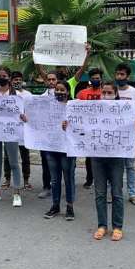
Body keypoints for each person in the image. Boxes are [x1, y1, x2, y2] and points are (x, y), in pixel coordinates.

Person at [67, 83, 135, 241]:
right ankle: (102, 225)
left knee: (117, 193)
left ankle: (117, 226)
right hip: (97, 158)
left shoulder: (124, 111)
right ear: (100, 94)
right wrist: (68, 125)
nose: (106, 95)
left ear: (116, 94)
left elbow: (133, 129)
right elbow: (80, 126)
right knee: (100, 194)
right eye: (104, 92)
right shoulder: (93, 110)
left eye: (110, 92)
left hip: (116, 158)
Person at [0, 66, 29, 208]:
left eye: (4, 76)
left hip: (11, 132)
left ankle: (16, 193)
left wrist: (23, 117)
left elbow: (22, 114)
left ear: (9, 77)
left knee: (14, 163)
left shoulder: (17, 96)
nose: (1, 78)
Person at [43, 81, 77, 220]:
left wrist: (70, 125)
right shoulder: (47, 106)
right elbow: (39, 121)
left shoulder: (74, 107)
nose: (59, 92)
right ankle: (55, 206)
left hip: (67, 149)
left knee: (69, 179)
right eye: (57, 90)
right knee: (55, 180)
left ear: (68, 92)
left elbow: (82, 126)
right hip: (51, 147)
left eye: (62, 90)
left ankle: (70, 207)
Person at [2, 71, 40, 192]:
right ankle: (7, 179)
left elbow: (33, 111)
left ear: (22, 80)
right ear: (11, 81)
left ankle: (26, 180)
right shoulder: (6, 94)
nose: (17, 81)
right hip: (10, 131)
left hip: (24, 131)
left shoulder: (28, 94)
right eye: (15, 79)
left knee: (25, 156)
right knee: (7, 157)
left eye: (19, 79)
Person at [115, 63, 135, 205]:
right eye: (117, 74)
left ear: (127, 76)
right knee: (114, 166)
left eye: (122, 74)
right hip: (113, 136)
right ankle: (115, 192)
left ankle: (132, 193)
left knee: (130, 166)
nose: (119, 76)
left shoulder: (134, 92)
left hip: (129, 136)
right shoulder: (111, 90)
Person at [35, 71, 61, 199]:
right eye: (49, 79)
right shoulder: (41, 98)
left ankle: (59, 187)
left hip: (60, 136)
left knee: (61, 163)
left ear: (57, 80)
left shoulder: (64, 96)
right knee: (46, 162)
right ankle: (46, 187)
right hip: (46, 136)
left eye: (53, 79)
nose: (51, 82)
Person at [77, 66, 104, 189]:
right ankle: (89, 179)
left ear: (101, 79)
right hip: (87, 129)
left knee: (103, 154)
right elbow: (75, 109)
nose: (95, 80)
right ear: (90, 79)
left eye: (97, 78)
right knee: (89, 156)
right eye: (93, 78)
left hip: (103, 128)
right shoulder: (82, 93)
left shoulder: (106, 92)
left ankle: (103, 179)